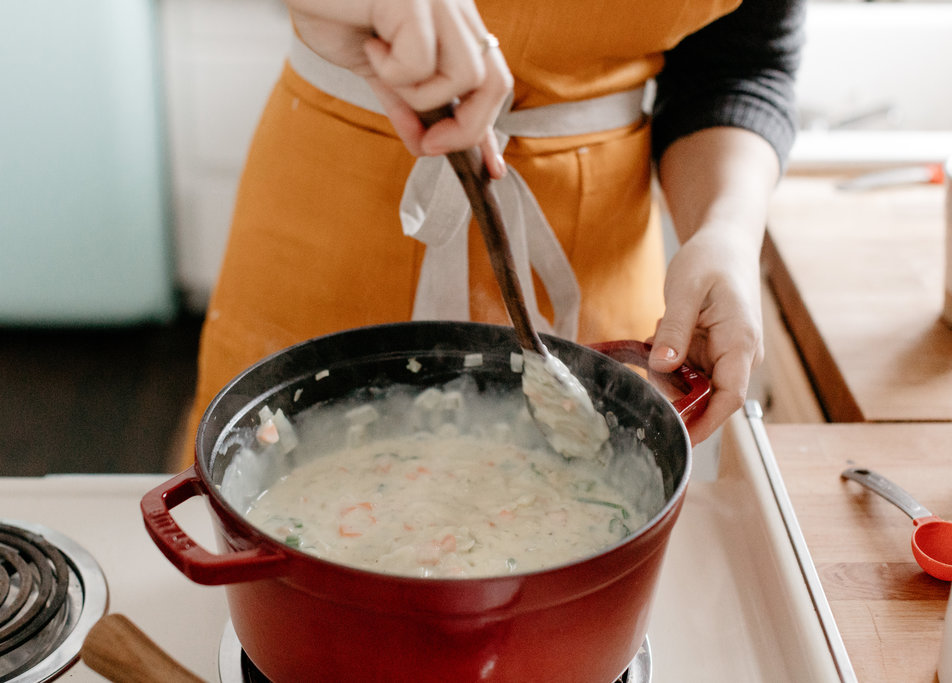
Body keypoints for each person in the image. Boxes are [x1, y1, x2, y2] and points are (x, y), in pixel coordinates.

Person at [187, 0, 806, 449]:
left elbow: (737, 63)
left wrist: (723, 231)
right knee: (264, 462)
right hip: (337, 195)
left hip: (593, 240)